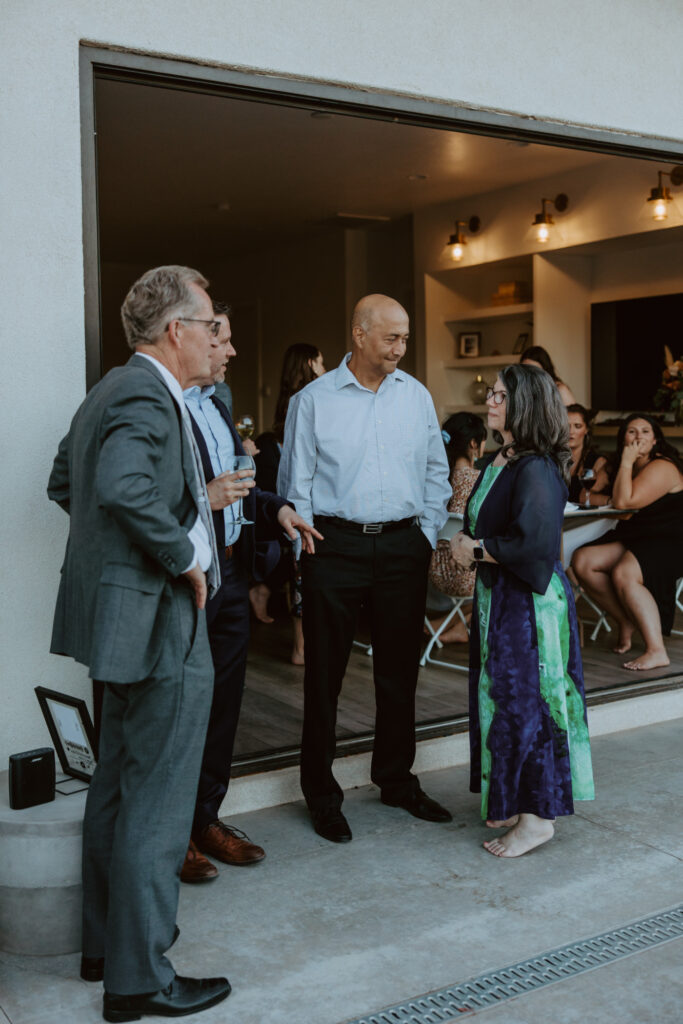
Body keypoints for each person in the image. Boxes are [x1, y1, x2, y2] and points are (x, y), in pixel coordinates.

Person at [47, 266, 231, 1019]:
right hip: (159, 627)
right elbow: (118, 490)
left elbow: (69, 483)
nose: (219, 335)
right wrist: (180, 557)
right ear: (175, 331)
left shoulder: (111, 390)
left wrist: (117, 566)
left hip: (125, 625)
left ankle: (105, 950)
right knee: (156, 805)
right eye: (211, 321)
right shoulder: (142, 391)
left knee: (118, 789)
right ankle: (140, 979)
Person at [278, 293, 453, 843]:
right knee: (324, 677)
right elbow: (295, 482)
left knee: (400, 673)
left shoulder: (416, 395)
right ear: (359, 335)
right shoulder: (313, 400)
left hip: (403, 546)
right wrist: (306, 550)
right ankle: (322, 796)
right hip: (333, 546)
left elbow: (435, 471)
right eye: (392, 337)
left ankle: (396, 780)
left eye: (405, 338)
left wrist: (424, 537)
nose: (402, 347)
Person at [181, 307, 321, 882]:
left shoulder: (216, 406)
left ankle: (206, 819)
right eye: (225, 339)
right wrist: (203, 496)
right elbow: (155, 499)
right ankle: (172, 836)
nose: (233, 351)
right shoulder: (160, 406)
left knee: (222, 709)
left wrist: (277, 508)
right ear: (191, 338)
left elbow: (240, 490)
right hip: (189, 580)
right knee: (180, 713)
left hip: (234, 576)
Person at [450, 364, 594, 858]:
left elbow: (533, 544)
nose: (489, 402)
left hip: (529, 606)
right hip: (500, 599)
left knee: (529, 707)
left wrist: (473, 551)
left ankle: (538, 818)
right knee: (504, 706)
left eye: (500, 396)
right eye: (490, 393)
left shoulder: (535, 466)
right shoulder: (500, 459)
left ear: (525, 404)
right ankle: (515, 800)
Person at [571, 413, 683, 671]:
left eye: (645, 431)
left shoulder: (661, 466)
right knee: (584, 561)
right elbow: (596, 497)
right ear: (623, 439)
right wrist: (626, 464)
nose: (638, 437)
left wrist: (626, 463)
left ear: (655, 440)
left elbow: (622, 504)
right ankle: (625, 619)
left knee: (625, 572)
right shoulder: (628, 464)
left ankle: (657, 650)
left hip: (672, 540)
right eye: (632, 432)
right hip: (642, 535)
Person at [251, 343, 326, 662]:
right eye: (322, 362)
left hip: (288, 481)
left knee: (300, 558)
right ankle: (302, 646)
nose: (326, 368)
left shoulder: (290, 399)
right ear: (311, 363)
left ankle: (301, 642)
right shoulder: (315, 398)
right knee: (303, 556)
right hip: (301, 489)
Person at [426, 412, 487, 643]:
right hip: (463, 571)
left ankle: (454, 627)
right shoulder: (479, 480)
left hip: (435, 570)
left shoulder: (438, 478)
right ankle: (447, 626)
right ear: (474, 444)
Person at [566, 404, 610, 506]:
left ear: (586, 429)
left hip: (585, 519)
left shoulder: (599, 462)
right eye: (566, 426)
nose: (570, 431)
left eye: (577, 426)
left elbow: (587, 496)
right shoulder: (550, 459)